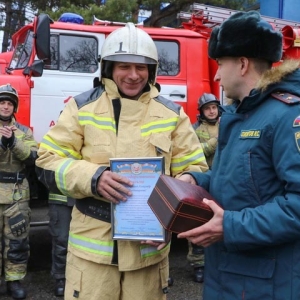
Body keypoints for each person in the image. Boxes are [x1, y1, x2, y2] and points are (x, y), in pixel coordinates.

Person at [35, 23, 208, 300]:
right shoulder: (81, 108)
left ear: (151, 71)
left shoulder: (171, 114)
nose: (133, 75)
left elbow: (195, 169)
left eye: (141, 67)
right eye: (123, 66)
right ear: (108, 68)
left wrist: (172, 209)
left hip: (148, 253)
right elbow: (47, 160)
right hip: (92, 258)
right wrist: (94, 178)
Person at [178, 10, 300, 300]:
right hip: (229, 275)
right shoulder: (239, 115)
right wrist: (195, 180)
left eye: (220, 64)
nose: (217, 74)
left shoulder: (288, 115)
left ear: (243, 64)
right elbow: (241, 180)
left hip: (267, 284)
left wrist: (230, 226)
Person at [0, 84, 38, 299]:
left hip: (17, 195)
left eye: (9, 103)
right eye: (2, 102)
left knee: (17, 241)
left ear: (14, 107)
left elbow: (32, 157)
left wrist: (13, 142)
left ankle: (14, 282)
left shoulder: (24, 132)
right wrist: (2, 142)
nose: (5, 106)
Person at [187, 93, 221, 283]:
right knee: (197, 222)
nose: (211, 111)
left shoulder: (227, 124)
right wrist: (215, 142)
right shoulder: (194, 129)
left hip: (220, 180)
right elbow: (196, 151)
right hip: (202, 181)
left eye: (214, 107)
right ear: (201, 111)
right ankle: (198, 264)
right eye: (208, 108)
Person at [47, 193, 74, 297]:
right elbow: (45, 176)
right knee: (61, 240)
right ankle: (60, 278)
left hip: (88, 196)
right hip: (61, 198)